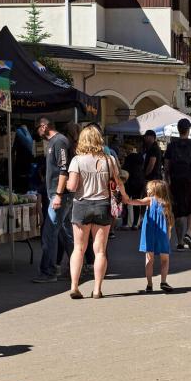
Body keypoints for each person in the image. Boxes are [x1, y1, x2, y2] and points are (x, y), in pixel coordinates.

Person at [66, 125, 119, 299]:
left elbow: (72, 187)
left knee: (79, 248)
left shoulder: (77, 160)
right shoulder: (109, 159)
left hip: (81, 204)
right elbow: (116, 183)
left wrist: (66, 184)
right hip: (102, 205)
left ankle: (74, 286)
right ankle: (97, 289)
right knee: (100, 251)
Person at [33, 117, 73, 284]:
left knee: (49, 233)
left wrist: (58, 194)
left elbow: (63, 170)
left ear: (43, 126)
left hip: (60, 196)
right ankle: (77, 265)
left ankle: (49, 271)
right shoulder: (54, 142)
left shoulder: (59, 142)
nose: (37, 133)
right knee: (65, 233)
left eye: (37, 129)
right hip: (57, 195)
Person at [164, 119, 191, 250]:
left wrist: (167, 182)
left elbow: (166, 167)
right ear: (188, 130)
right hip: (190, 180)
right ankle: (189, 233)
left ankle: (180, 242)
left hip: (175, 181)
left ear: (178, 129)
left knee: (178, 212)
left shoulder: (171, 146)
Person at [125, 179, 174, 293]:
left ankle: (149, 284)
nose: (147, 190)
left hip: (149, 233)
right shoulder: (166, 203)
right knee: (165, 260)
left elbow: (138, 202)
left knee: (149, 259)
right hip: (162, 234)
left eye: (149, 188)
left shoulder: (150, 200)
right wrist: (169, 234)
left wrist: (127, 200)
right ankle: (163, 281)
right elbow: (170, 221)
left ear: (155, 190)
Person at [122, 145, 146, 230]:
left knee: (125, 203)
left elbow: (124, 170)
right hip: (139, 182)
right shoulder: (140, 158)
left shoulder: (128, 158)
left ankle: (125, 224)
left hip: (129, 182)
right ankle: (135, 224)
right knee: (137, 203)